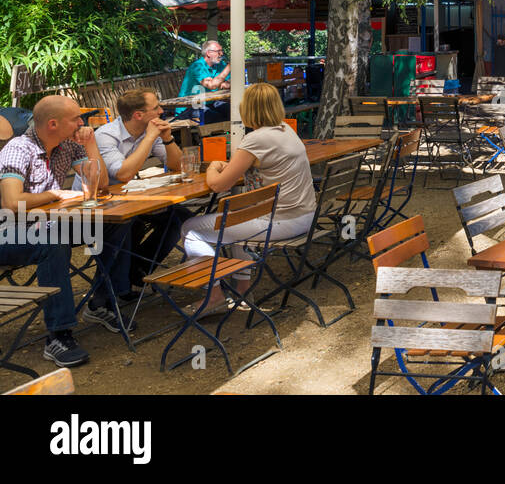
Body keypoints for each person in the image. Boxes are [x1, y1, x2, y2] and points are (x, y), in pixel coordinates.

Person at [179, 83, 317, 317]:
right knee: (238, 222)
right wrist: (232, 167)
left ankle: (214, 297)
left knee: (191, 229)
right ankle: (243, 290)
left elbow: (218, 185)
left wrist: (214, 166)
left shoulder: (256, 139)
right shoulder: (285, 129)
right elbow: (257, 166)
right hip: (304, 215)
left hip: (282, 221)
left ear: (248, 109)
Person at [0, 95, 102, 367]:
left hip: (47, 224)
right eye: (76, 119)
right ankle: (59, 335)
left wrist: (90, 143)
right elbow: (12, 203)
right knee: (52, 242)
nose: (81, 123)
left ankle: (104, 302)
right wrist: (53, 194)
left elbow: (95, 184)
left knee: (109, 225)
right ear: (54, 124)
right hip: (7, 231)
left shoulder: (68, 144)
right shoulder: (17, 149)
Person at [89, 88, 193, 329]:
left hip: (133, 199)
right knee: (122, 226)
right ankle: (102, 300)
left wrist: (167, 139)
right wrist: (149, 137)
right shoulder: (106, 135)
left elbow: (176, 166)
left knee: (179, 218)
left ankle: (137, 272)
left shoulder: (151, 131)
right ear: (138, 115)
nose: (161, 111)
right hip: (101, 205)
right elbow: (123, 174)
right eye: (155, 108)